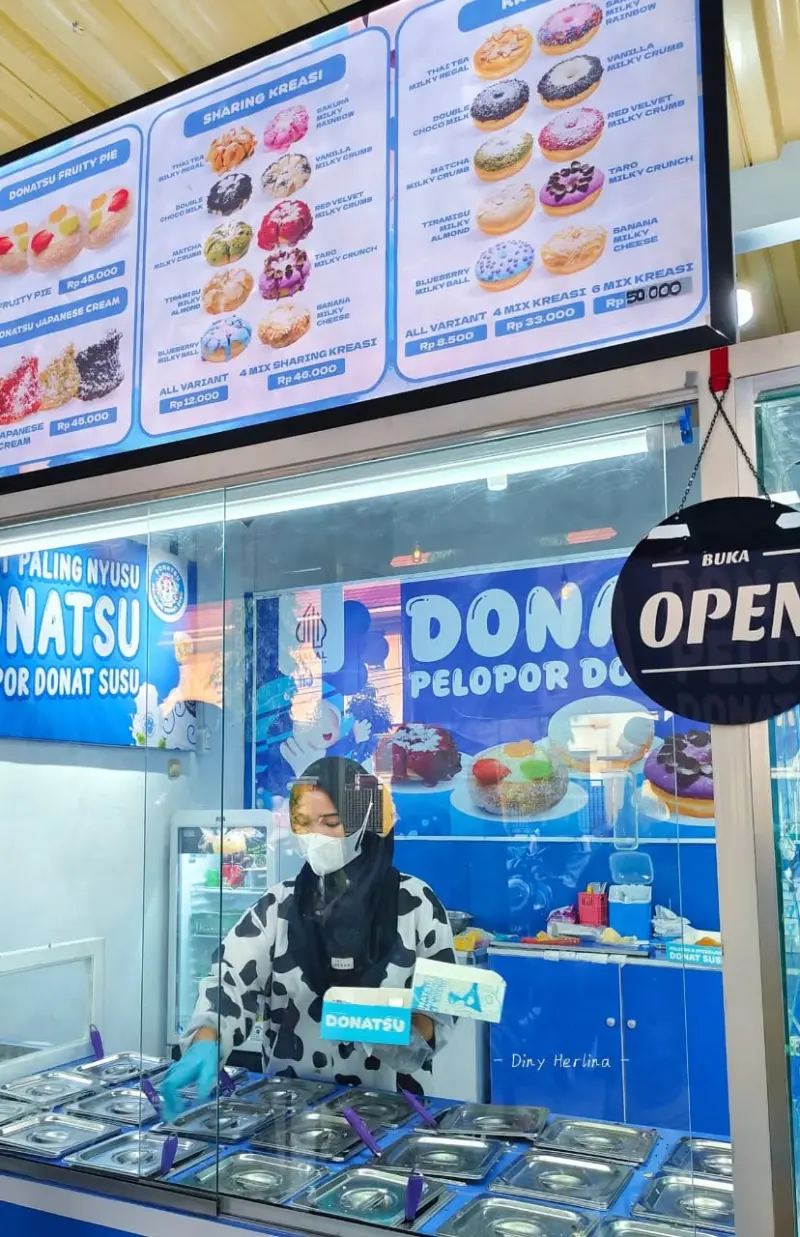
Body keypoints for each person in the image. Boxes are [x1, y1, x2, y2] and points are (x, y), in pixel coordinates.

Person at [162, 756, 455, 1120]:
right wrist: (206, 1039)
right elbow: (230, 981)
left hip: (390, 1116)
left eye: (330, 822)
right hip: (291, 1116)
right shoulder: (279, 906)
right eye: (303, 823)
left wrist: (385, 1025)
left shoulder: (416, 904)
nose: (315, 836)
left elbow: (442, 1010)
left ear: (364, 822)